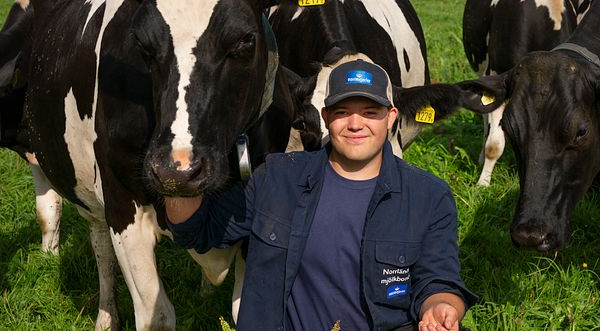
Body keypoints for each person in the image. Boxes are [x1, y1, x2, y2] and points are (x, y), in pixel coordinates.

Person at [165, 59, 477, 331]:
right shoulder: (277, 178)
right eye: (343, 112)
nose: (355, 124)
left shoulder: (428, 196)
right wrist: (176, 169)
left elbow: (438, 279)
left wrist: (440, 306)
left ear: (391, 117)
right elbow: (199, 229)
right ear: (326, 117)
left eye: (370, 112)